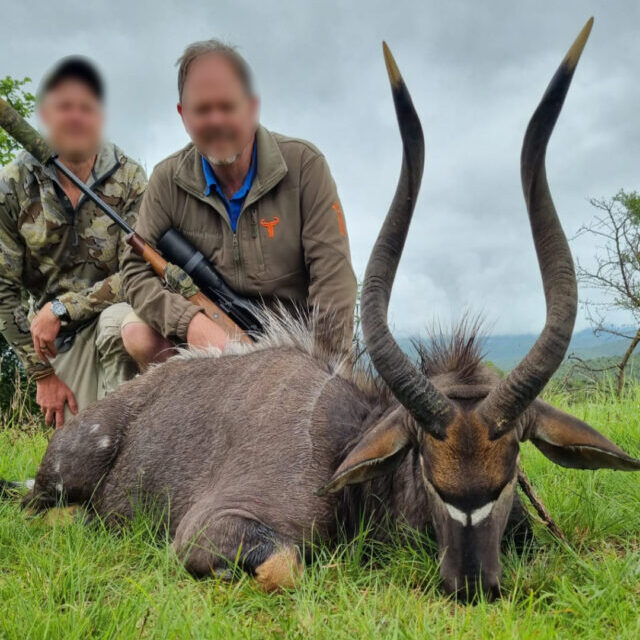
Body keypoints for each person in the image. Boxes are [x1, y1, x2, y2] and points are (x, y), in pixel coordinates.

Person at [121, 40, 357, 366]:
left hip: (293, 351)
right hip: (206, 341)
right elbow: (134, 271)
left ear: (252, 107)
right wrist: (190, 322)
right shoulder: (166, 179)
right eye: (202, 110)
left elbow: (334, 279)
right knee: (137, 333)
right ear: (183, 115)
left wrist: (324, 369)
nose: (216, 120)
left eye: (228, 106)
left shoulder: (305, 166)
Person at [0, 57, 147, 427]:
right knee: (76, 455)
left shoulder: (130, 176)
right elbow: (3, 290)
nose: (76, 117)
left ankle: (131, 434)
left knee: (123, 326)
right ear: (45, 115)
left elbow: (137, 272)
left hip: (116, 317)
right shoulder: (12, 184)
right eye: (65, 107)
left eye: (87, 108)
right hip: (59, 341)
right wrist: (42, 375)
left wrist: (64, 308)